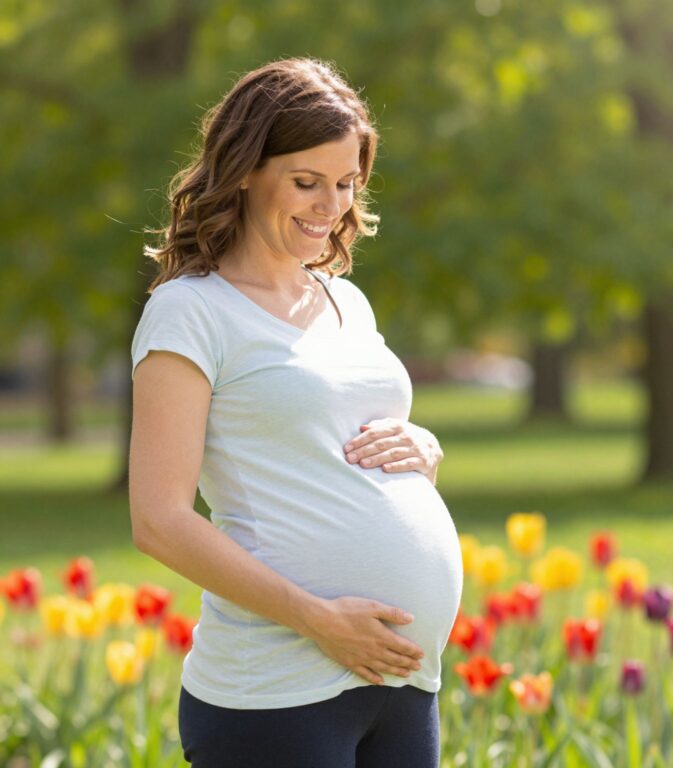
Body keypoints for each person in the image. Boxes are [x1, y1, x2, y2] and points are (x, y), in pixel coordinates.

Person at [128, 57, 463, 767]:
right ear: (246, 170)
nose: (329, 206)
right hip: (277, 693)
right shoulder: (190, 312)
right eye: (306, 182)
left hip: (401, 683)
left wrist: (422, 451)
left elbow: (330, 435)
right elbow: (159, 520)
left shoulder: (347, 301)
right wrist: (318, 619)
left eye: (346, 184)